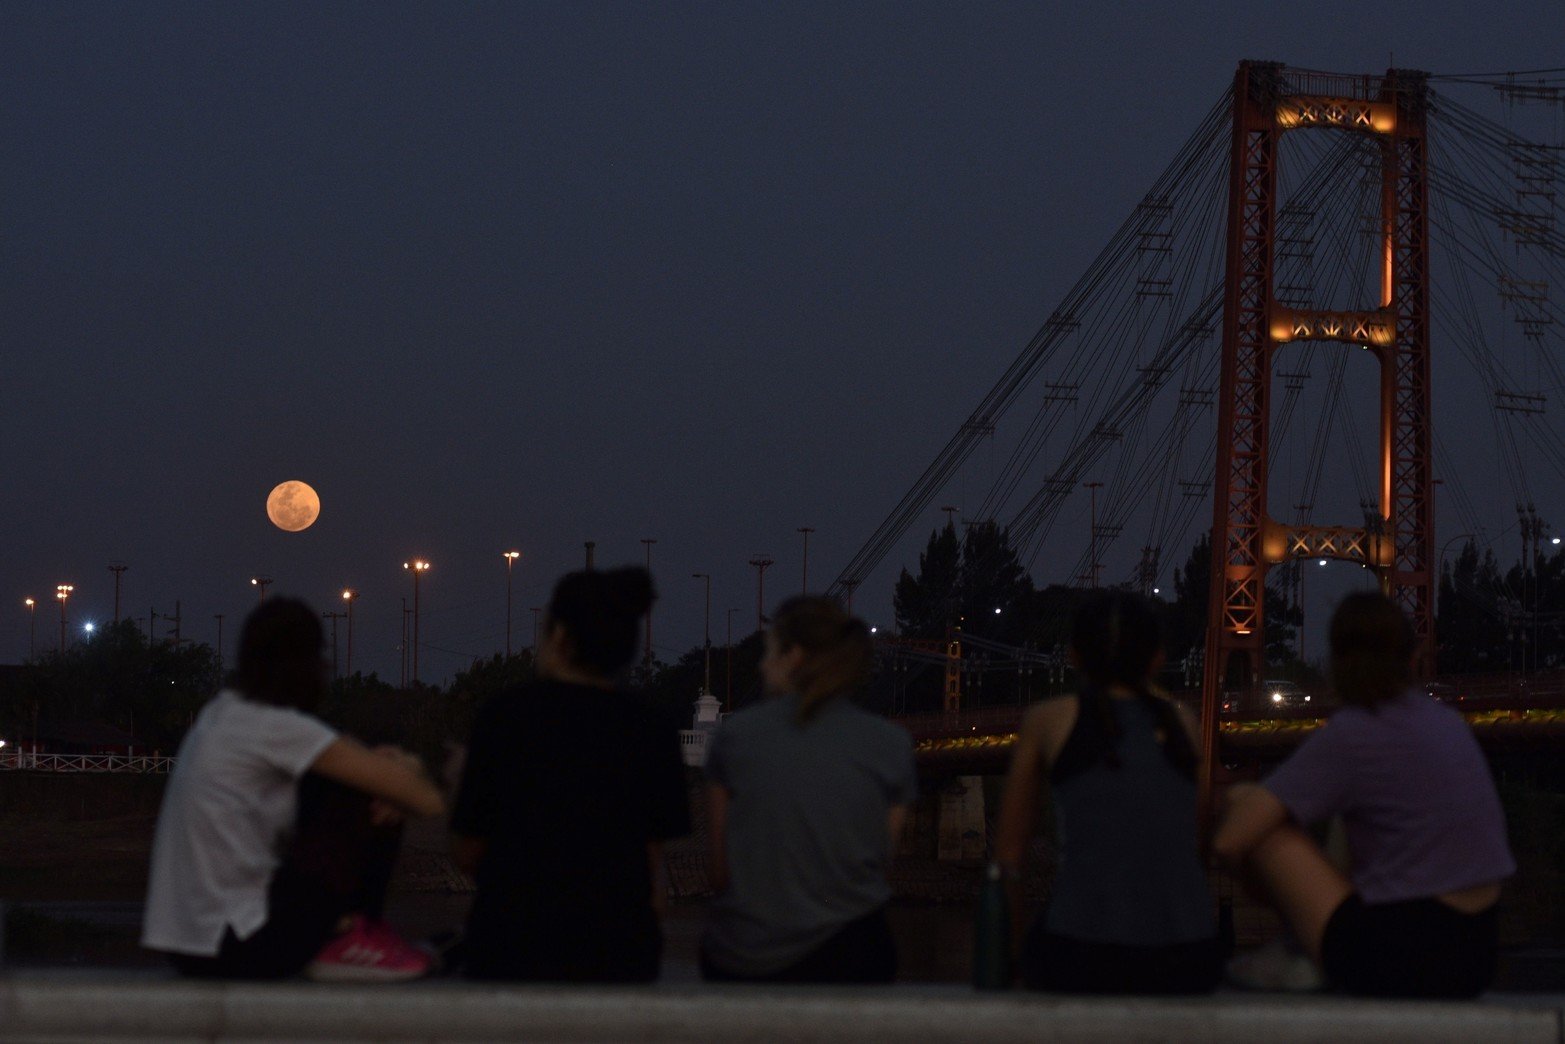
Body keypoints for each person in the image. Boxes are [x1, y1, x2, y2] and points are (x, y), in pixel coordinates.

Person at [1214, 592, 1514, 998]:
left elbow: (1230, 840)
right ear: (1414, 656)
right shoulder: (1447, 721)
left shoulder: (1352, 733)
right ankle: (1308, 947)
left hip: (1401, 959)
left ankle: (1300, 947)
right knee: (1350, 815)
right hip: (1476, 957)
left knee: (1246, 803)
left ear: (1337, 661)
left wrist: (1281, 899)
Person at [143, 598, 446, 981]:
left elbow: (345, 752)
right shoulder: (272, 726)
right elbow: (427, 799)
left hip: (189, 947)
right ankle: (349, 933)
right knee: (365, 790)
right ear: (310, 665)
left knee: (345, 777)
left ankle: (345, 932)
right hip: (241, 944)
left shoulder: (222, 714)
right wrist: (403, 771)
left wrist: (384, 767)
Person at [450, 567, 689, 982]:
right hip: (620, 955)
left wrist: (458, 786)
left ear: (558, 637)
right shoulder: (651, 727)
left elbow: (468, 854)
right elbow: (655, 875)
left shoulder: (506, 716)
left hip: (510, 950)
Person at [994, 590, 1221, 993]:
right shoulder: (1183, 723)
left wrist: (1009, 961)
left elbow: (1009, 859)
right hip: (1189, 954)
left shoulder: (1049, 720)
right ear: (1157, 659)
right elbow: (1196, 844)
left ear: (1073, 656)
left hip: (1083, 953)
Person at [700, 596, 915, 984]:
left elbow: (721, 873)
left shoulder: (733, 738)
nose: (763, 666)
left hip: (747, 957)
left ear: (794, 656)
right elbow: (880, 862)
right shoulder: (891, 745)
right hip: (855, 957)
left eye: (768, 653)